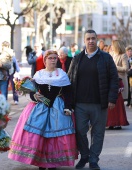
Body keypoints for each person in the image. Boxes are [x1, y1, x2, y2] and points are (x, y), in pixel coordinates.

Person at [8, 50, 78, 169]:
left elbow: (68, 93)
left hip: (58, 107)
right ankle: (40, 162)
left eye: (55, 58)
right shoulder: (39, 74)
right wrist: (34, 96)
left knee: (55, 136)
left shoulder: (62, 74)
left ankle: (53, 162)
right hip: (40, 107)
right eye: (50, 58)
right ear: (45, 60)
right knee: (38, 135)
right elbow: (32, 91)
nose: (52, 60)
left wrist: (67, 107)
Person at [68, 29, 119, 170]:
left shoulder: (106, 58)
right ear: (84, 41)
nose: (91, 41)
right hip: (79, 104)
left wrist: (112, 99)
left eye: (93, 38)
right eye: (88, 38)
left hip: (100, 104)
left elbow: (114, 79)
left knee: (98, 133)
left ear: (96, 40)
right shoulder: (77, 58)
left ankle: (93, 159)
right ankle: (84, 155)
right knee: (79, 131)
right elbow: (69, 78)